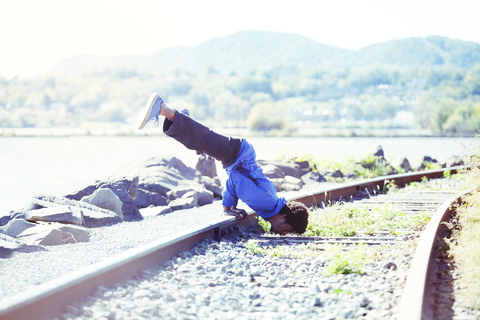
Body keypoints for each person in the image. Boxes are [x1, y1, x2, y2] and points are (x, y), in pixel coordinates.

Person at [136, 93, 309, 235]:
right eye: (287, 230)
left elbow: (239, 179)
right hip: (237, 155)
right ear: (284, 218)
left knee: (200, 141)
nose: (283, 233)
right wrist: (228, 207)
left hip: (239, 154)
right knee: (201, 140)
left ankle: (184, 120)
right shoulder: (265, 203)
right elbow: (235, 178)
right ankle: (161, 108)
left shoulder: (268, 206)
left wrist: (231, 205)